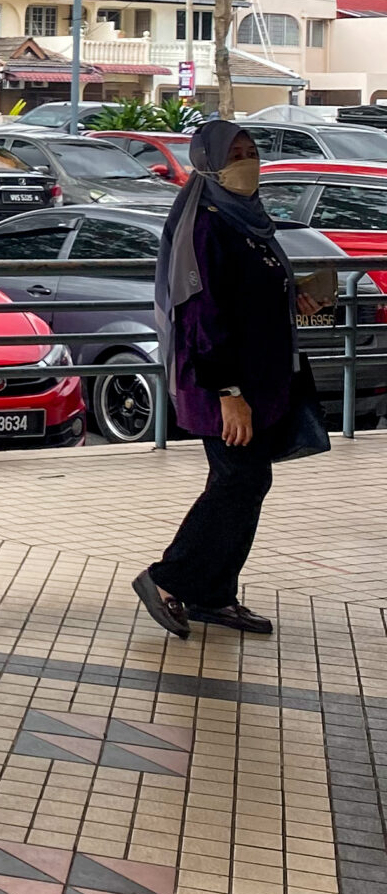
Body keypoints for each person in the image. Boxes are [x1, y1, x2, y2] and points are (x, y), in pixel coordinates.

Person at [134, 118, 313, 639]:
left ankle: (212, 593)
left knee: (243, 480)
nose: (246, 161)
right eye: (233, 153)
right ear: (207, 162)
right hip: (222, 384)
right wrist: (229, 395)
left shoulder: (247, 219)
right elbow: (201, 317)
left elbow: (250, 290)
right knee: (242, 478)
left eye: (250, 150)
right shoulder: (206, 224)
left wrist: (295, 296)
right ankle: (167, 578)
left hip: (258, 380)